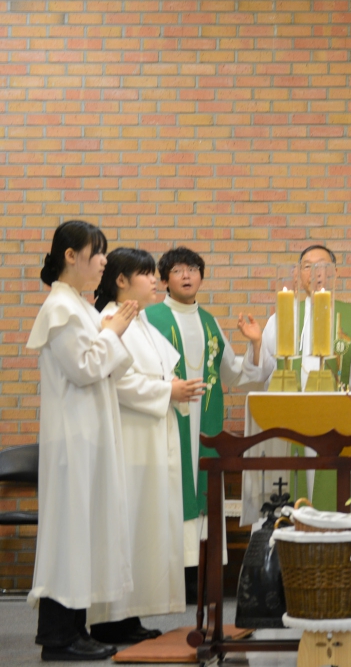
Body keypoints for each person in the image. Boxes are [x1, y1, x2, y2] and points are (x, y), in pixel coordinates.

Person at [27, 221, 137, 661]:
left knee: (83, 532)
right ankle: (57, 637)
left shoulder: (80, 306)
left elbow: (109, 365)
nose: (104, 261)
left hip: (89, 435)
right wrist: (112, 332)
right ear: (71, 255)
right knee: (68, 535)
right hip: (72, 440)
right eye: (98, 252)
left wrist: (111, 330)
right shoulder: (60, 307)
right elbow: (85, 367)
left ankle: (75, 629)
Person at [87, 249, 206, 644]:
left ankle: (129, 614)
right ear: (121, 280)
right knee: (126, 527)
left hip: (152, 435)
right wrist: (167, 391)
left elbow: (157, 371)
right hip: (129, 440)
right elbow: (116, 381)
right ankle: (109, 619)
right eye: (146, 274)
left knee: (143, 528)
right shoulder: (109, 320)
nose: (155, 280)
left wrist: (174, 387)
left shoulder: (140, 321)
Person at [144, 247, 264, 599]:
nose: (187, 275)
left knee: (203, 493)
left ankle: (200, 578)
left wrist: (256, 343)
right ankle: (167, 579)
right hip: (167, 422)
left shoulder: (209, 322)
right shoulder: (150, 319)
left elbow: (235, 373)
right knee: (171, 491)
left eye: (193, 269)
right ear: (165, 279)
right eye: (178, 270)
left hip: (204, 428)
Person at [241, 244, 351, 512]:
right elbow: (263, 373)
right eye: (308, 266)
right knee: (288, 494)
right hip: (290, 421)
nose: (316, 273)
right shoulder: (281, 317)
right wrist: (257, 344)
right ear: (296, 274)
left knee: (334, 496)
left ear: (335, 273)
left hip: (336, 421)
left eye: (323, 267)